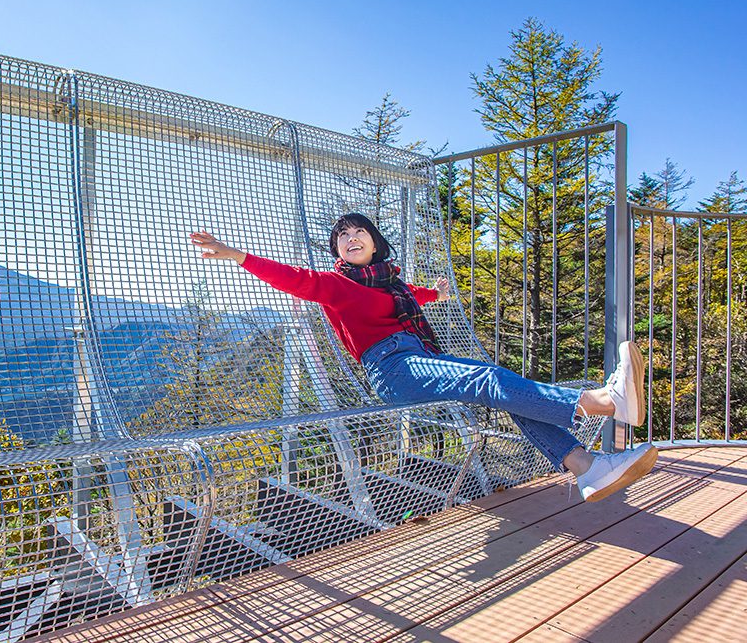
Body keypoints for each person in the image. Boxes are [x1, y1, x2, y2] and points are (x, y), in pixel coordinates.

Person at [190, 213, 658, 502]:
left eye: (359, 232)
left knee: (503, 394)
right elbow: (293, 279)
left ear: (375, 242)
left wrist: (437, 291)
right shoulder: (338, 285)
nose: (350, 238)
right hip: (391, 368)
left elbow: (417, 294)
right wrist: (235, 254)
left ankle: (587, 468)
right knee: (491, 380)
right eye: (342, 236)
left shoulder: (391, 286)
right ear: (337, 250)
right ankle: (603, 401)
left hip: (418, 355)